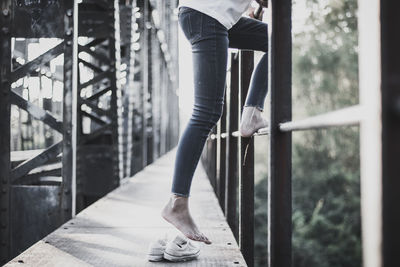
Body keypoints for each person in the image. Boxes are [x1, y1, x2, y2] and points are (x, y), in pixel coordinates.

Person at [161, 0, 269, 245]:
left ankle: (252, 112)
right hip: (208, 15)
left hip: (210, 14)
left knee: (277, 40)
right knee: (206, 112)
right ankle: (177, 204)